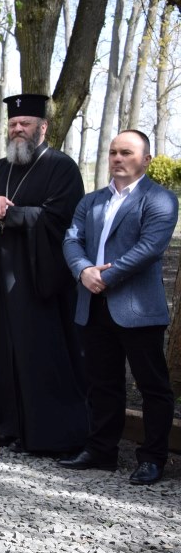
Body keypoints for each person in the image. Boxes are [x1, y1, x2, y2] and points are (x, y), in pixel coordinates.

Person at [0, 93, 86, 454]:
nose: (18, 129)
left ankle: (51, 436)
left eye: (25, 124)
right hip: (1, 282)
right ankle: (12, 429)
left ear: (42, 128)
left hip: (39, 283)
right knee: (6, 356)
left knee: (41, 357)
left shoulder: (62, 168)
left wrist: (9, 213)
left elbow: (61, 220)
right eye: (13, 124)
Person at [59, 130, 178, 485]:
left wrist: (104, 277)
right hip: (93, 305)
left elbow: (150, 248)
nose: (117, 158)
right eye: (113, 152)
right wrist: (83, 271)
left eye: (127, 152)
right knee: (102, 383)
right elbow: (71, 239)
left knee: (152, 386)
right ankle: (101, 450)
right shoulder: (92, 201)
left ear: (147, 160)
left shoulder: (161, 199)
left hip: (138, 308)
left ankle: (153, 458)